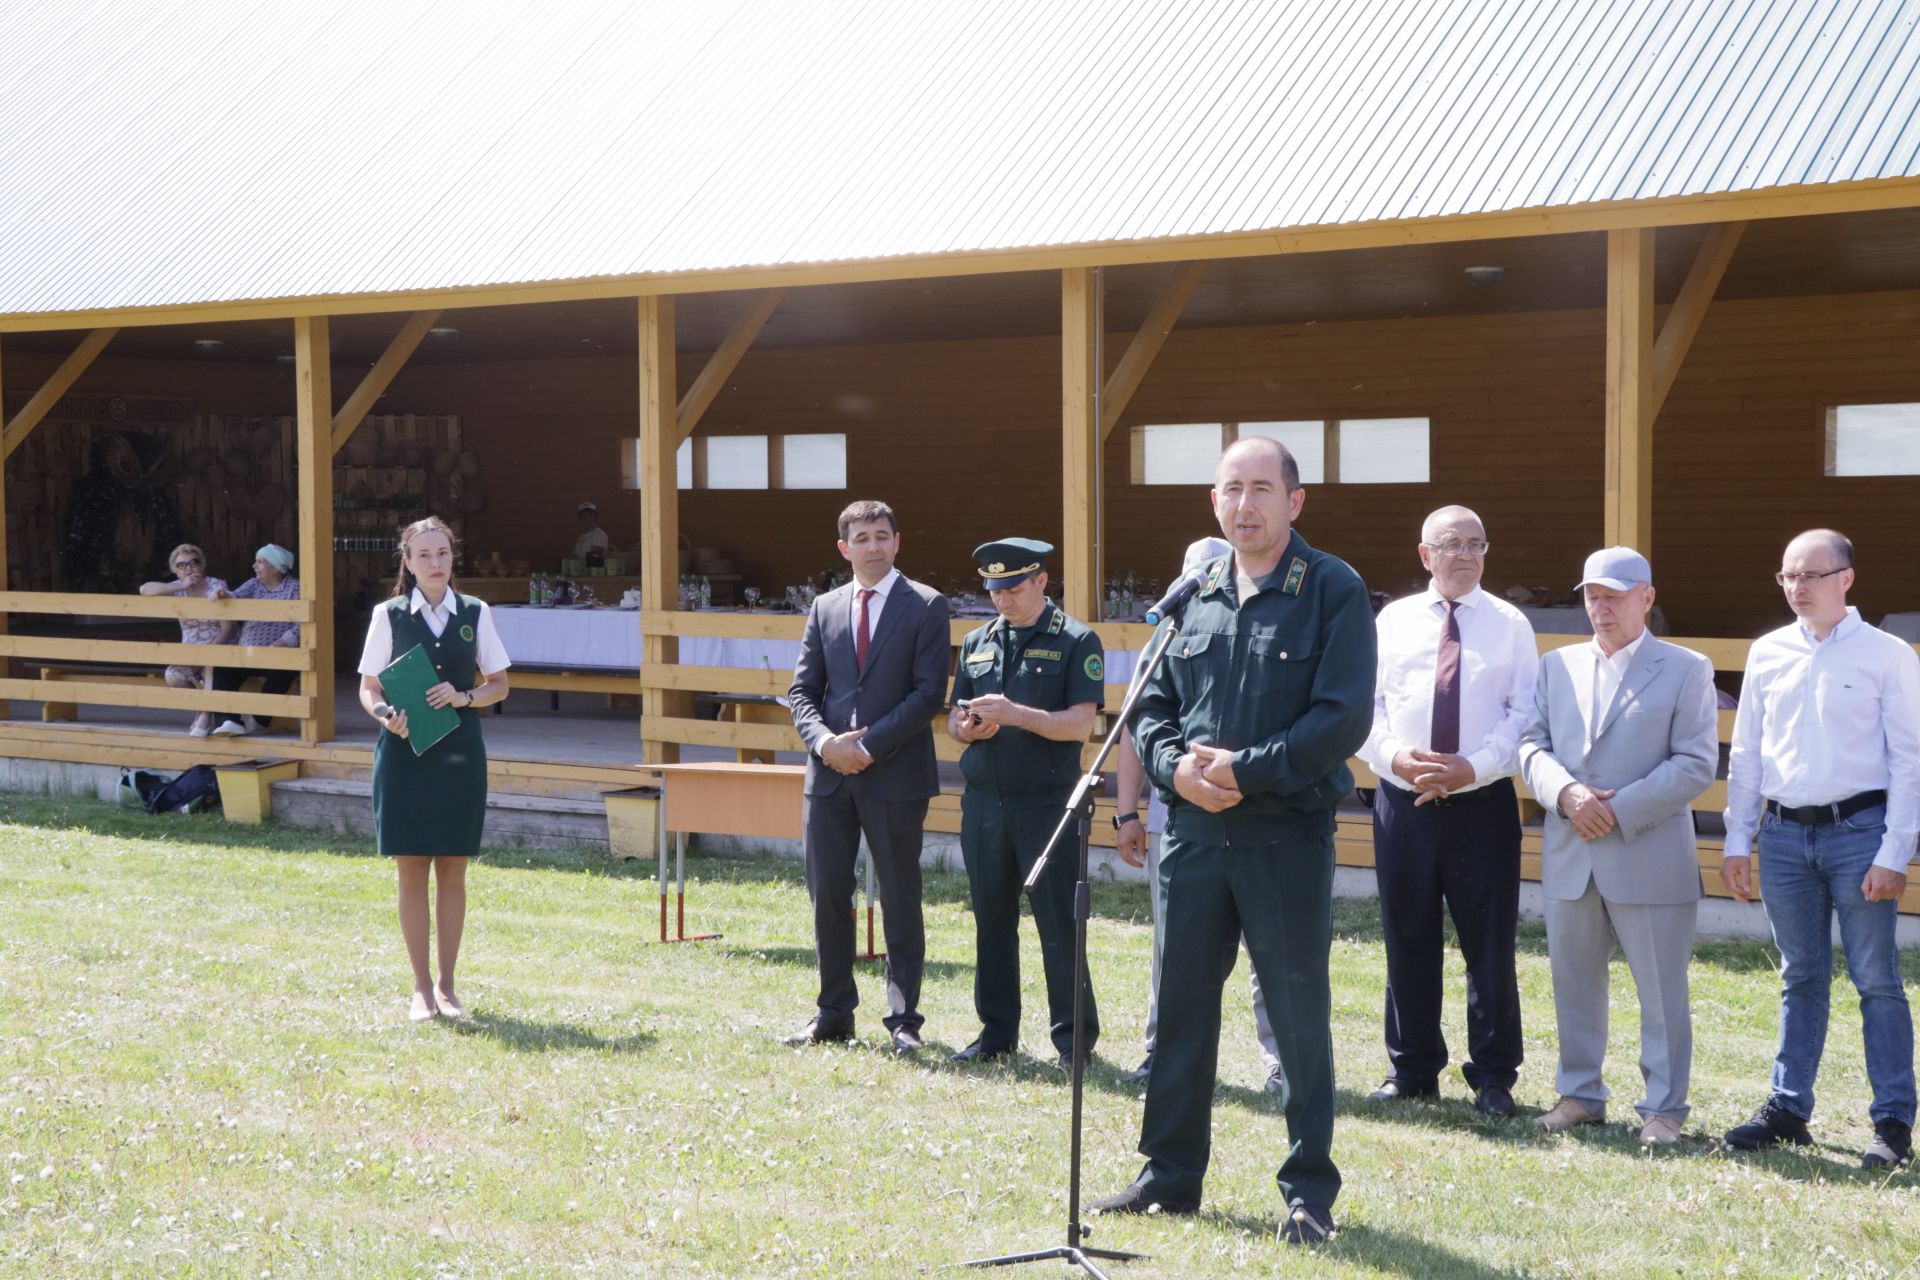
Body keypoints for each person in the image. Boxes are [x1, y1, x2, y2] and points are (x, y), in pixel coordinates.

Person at [1091, 436, 1375, 1247]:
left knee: (1295, 1012)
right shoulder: (1196, 590)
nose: (1243, 505)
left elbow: (1342, 715)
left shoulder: (1331, 589)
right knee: (1181, 1006)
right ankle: (1169, 1175)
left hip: (1281, 833)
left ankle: (1308, 1192)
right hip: (1191, 833)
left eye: (1261, 488)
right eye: (1229, 490)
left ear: (1295, 500)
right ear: (1214, 502)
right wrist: (1174, 769)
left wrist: (1249, 770)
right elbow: (1149, 705)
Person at [1720, 529, 1917, 1168]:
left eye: (1811, 575)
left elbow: (1908, 759)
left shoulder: (1887, 656)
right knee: (1798, 976)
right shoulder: (1769, 651)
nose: (1798, 588)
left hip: (1859, 834)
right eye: (1787, 577)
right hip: (1781, 836)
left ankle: (1892, 1122)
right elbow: (1747, 751)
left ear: (1847, 578)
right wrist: (1738, 837)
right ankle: (1788, 1108)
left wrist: (1896, 850)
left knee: (1876, 980)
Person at [1517, 547, 1717, 1144]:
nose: (1599, 607)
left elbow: (1696, 763)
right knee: (1573, 982)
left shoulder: (1686, 667)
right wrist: (1567, 795)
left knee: (1661, 990)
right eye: (1591, 596)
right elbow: (1531, 744)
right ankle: (1580, 1094)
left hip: (1648, 851)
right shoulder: (1557, 665)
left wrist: (1614, 810)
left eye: (1613, 595)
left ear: (1647, 598)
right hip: (1571, 849)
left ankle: (1664, 1108)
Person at [1356, 505, 1537, 1117]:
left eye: (1476, 544)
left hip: (1481, 802)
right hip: (1402, 801)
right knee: (1407, 934)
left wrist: (1473, 768)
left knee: (1488, 942)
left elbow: (1524, 716)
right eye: (1451, 543)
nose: (1465, 554)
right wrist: (1398, 760)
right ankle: (1411, 1069)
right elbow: (1367, 709)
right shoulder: (1392, 621)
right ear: (1424, 553)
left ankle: (1493, 1075)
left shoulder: (1510, 624)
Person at [1111, 535, 1285, 1094]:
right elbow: (1136, 734)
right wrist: (1127, 814)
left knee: (1270, 948)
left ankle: (1281, 1061)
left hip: (1261, 819)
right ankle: (1163, 1053)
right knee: (1176, 950)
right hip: (1179, 822)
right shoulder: (1164, 636)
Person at [783, 499, 951, 1053]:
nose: (873, 546)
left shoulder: (926, 605)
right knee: (829, 893)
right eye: (862, 538)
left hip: (894, 774)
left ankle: (904, 1022)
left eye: (882, 536)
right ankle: (834, 1013)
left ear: (897, 542)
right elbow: (803, 692)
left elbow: (929, 694)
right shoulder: (824, 606)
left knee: (900, 895)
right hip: (828, 774)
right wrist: (828, 744)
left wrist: (869, 747)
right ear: (843, 548)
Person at [946, 537, 1103, 1068]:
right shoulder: (976, 641)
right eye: (993, 590)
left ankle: (1074, 1042)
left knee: (1058, 923)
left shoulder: (1077, 641)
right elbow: (952, 720)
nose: (1002, 600)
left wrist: (1017, 715)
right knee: (991, 921)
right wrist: (968, 729)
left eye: (1013, 588)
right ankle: (996, 1034)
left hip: (1047, 804)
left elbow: (1081, 724)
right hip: (985, 803)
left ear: (1042, 580)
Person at [357, 516, 511, 1023]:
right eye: (423, 555)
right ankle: (420, 990)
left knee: (453, 868)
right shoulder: (389, 615)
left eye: (442, 553)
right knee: (410, 868)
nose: (435, 563)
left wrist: (465, 695)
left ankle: (448, 987)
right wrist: (385, 717)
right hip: (404, 754)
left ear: (453, 557)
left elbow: (499, 684)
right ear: (407, 562)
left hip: (460, 753)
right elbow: (369, 688)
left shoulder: (476, 611)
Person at [138, 542, 234, 737]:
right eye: (181, 565)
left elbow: (228, 628)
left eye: (193, 562)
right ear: (176, 570)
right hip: (190, 652)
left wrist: (207, 654)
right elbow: (145, 589)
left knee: (211, 668)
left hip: (218, 646)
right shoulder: (178, 588)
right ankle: (201, 711)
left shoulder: (216, 585)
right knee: (173, 675)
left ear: (202, 565)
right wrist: (182, 585)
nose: (188, 568)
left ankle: (205, 718)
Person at [208, 544, 303, 736]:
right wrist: (223, 594)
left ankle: (259, 719)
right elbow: (236, 596)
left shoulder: (295, 588)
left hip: (276, 654)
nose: (254, 566)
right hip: (248, 653)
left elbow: (302, 625)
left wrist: (280, 644)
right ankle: (228, 721)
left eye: (260, 562)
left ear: (275, 568)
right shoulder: (254, 584)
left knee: (286, 669)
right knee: (222, 669)